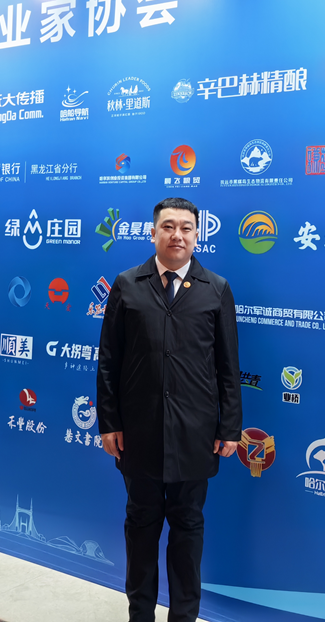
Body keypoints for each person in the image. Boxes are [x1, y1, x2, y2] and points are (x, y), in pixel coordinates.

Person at [97, 197, 242, 622]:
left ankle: (184, 617)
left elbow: (228, 366)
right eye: (168, 226)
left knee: (188, 530)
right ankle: (139, 615)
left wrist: (230, 427)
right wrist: (109, 422)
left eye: (186, 228)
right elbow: (109, 360)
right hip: (138, 434)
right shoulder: (127, 284)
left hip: (195, 436)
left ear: (197, 235)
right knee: (141, 528)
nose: (177, 235)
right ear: (153, 232)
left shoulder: (216, 289)